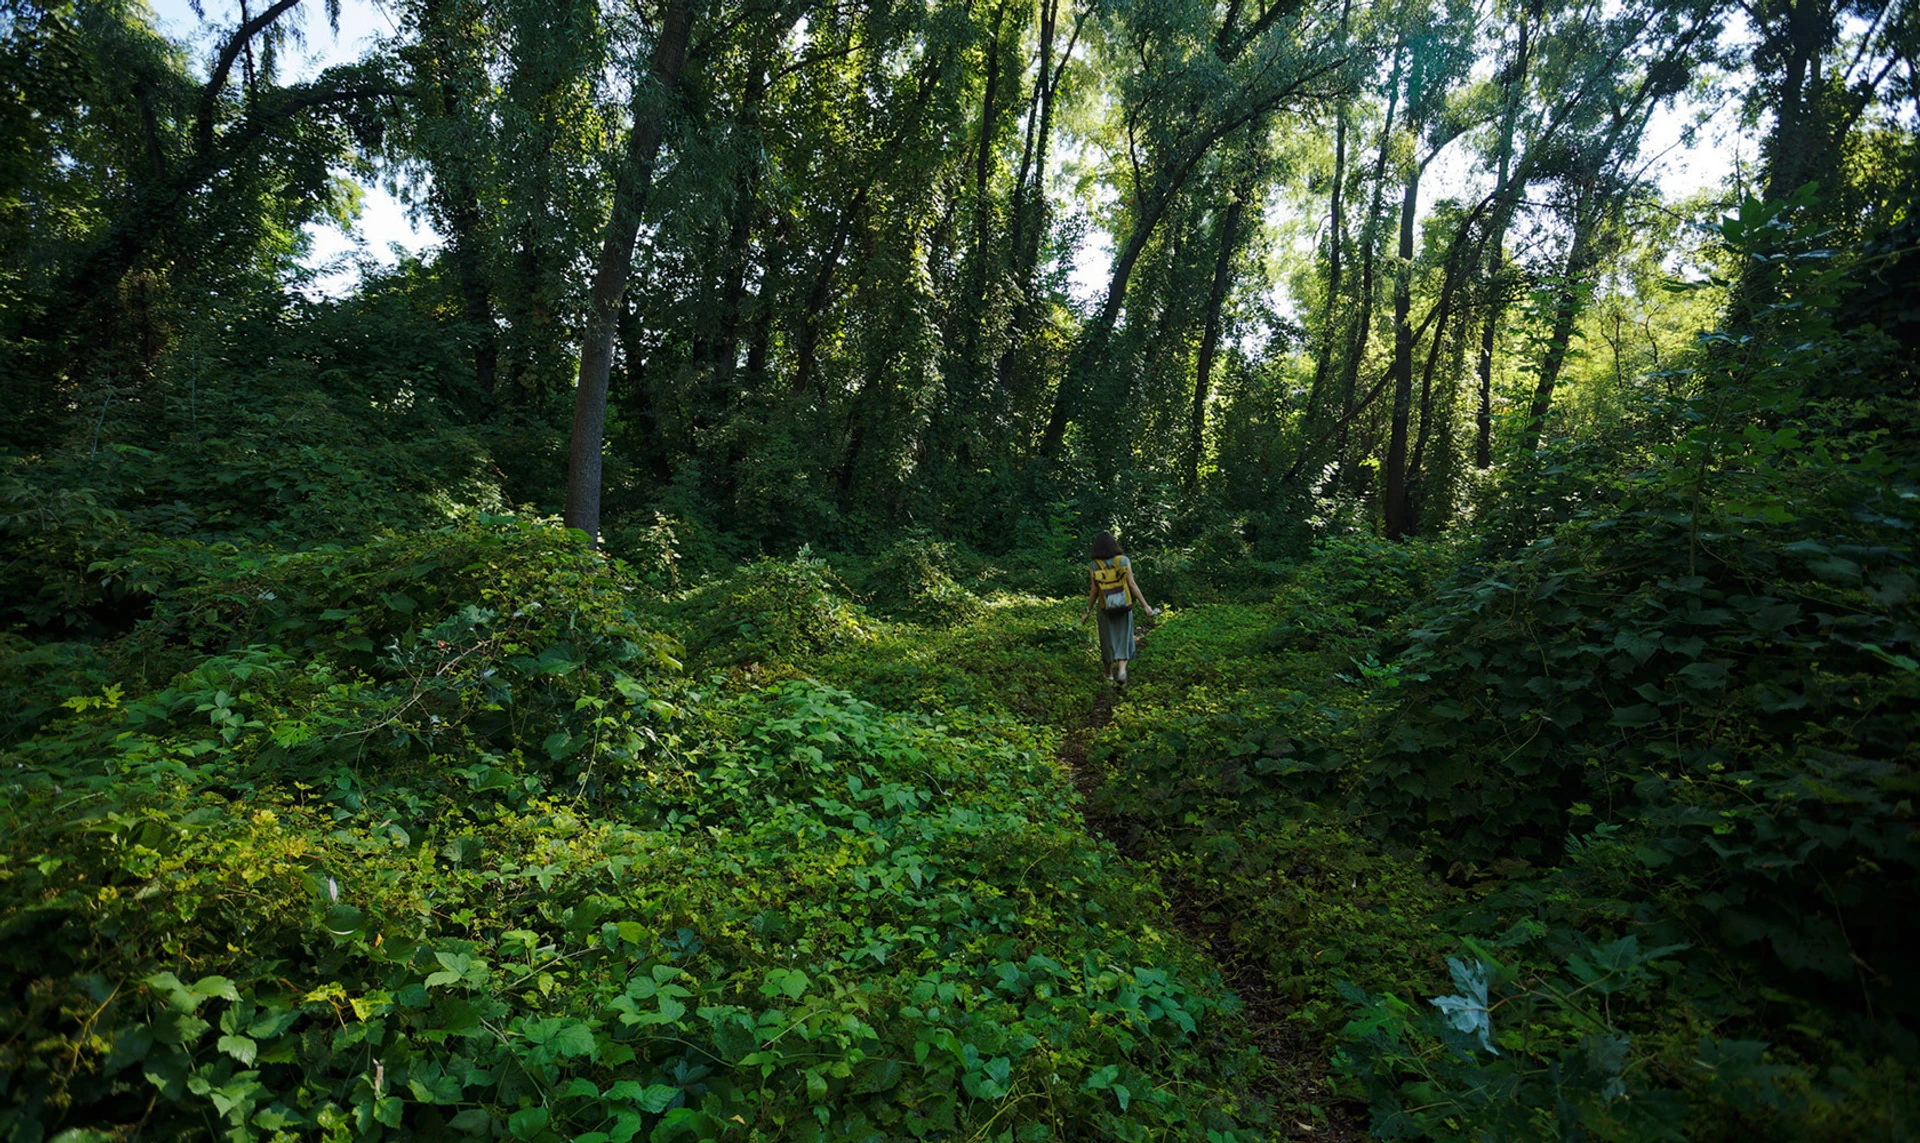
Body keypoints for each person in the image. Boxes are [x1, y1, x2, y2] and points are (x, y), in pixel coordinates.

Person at [1081, 531, 1158, 684]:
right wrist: (1146, 606)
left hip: (1105, 608)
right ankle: (1122, 670)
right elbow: (1132, 584)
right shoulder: (1123, 560)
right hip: (1124, 606)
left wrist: (1087, 611)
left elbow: (1094, 590)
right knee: (1125, 638)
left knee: (1107, 640)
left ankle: (1109, 676)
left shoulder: (1094, 565)